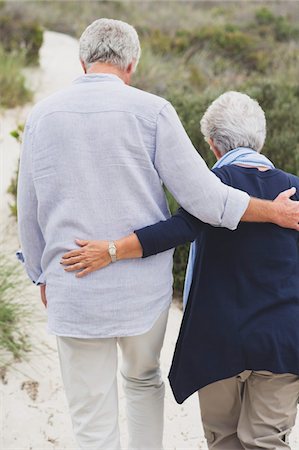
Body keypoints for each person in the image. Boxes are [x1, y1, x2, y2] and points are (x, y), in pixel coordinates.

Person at [17, 16, 299, 450]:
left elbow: (28, 210)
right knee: (142, 382)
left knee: (92, 415)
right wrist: (274, 213)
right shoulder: (152, 112)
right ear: (132, 65)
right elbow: (207, 199)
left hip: (72, 283)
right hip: (142, 290)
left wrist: (40, 273)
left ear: (81, 61)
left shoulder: (41, 116)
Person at [62, 91, 299, 450]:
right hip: (283, 341)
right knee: (267, 441)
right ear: (262, 139)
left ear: (212, 145)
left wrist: (111, 251)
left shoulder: (209, 186)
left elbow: (175, 232)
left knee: (224, 440)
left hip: (219, 339)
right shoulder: (294, 190)